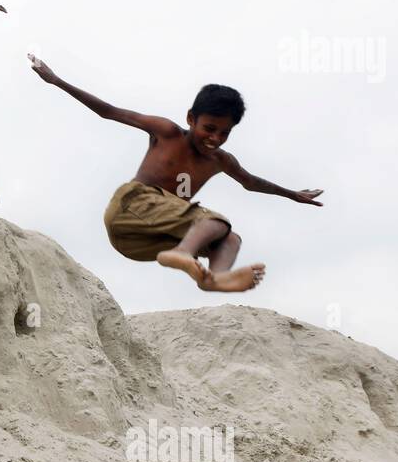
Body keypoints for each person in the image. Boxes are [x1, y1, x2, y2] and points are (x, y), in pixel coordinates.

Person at [29, 54, 323, 291]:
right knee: (215, 221)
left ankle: (215, 279)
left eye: (224, 133)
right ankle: (185, 254)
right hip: (130, 207)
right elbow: (109, 111)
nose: (215, 138)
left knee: (230, 239)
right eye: (209, 129)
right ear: (191, 119)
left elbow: (250, 182)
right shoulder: (167, 133)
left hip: (143, 242)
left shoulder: (221, 161)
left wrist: (292, 195)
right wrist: (56, 81)